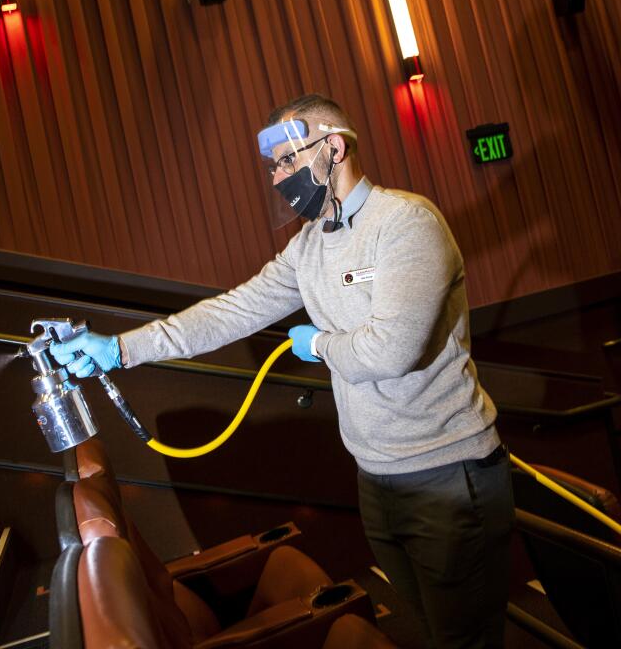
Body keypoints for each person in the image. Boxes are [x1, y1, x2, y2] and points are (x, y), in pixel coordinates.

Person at [51, 94, 513, 648]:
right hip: (377, 477)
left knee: (466, 640)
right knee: (433, 631)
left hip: (447, 476)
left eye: (287, 161)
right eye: (272, 166)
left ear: (333, 148)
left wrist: (318, 343)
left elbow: (394, 352)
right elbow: (232, 310)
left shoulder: (406, 223)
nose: (278, 177)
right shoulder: (309, 246)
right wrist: (121, 349)